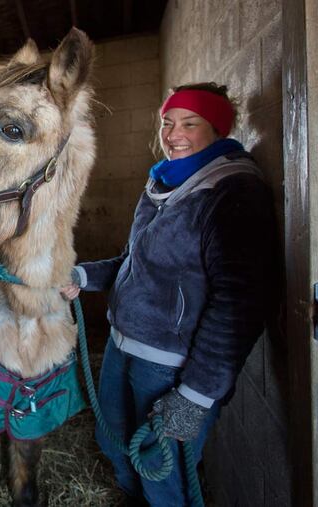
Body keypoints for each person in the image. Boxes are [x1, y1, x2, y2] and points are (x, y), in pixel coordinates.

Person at [60, 82, 275, 505]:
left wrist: (195, 396)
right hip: (124, 344)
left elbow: (238, 306)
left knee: (161, 471)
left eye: (189, 123)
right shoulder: (163, 183)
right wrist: (81, 277)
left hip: (170, 365)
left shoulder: (232, 190)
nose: (173, 134)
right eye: (168, 122)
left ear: (216, 128)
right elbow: (133, 262)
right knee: (114, 443)